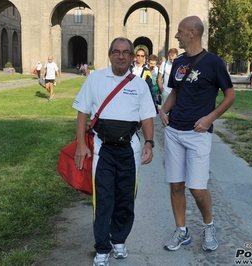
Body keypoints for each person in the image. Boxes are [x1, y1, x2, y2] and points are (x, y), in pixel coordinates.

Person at [72, 37, 156, 266]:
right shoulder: (96, 79)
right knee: (104, 200)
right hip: (102, 149)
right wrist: (81, 145)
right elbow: (81, 112)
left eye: (126, 52)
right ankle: (102, 249)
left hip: (129, 149)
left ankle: (119, 240)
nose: (121, 56)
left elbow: (147, 116)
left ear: (131, 57)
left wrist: (149, 143)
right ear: (110, 55)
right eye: (116, 52)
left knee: (126, 199)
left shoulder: (139, 85)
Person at [159, 16, 236, 252]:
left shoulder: (214, 62)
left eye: (179, 31)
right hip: (174, 132)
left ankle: (209, 226)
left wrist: (210, 118)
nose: (176, 36)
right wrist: (163, 109)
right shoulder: (179, 61)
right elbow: (175, 92)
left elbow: (230, 95)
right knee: (175, 186)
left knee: (197, 189)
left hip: (197, 134)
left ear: (192, 33)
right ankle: (182, 232)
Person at [131, 48, 157, 113]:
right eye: (138, 55)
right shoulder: (129, 68)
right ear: (135, 56)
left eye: (142, 56)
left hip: (141, 98)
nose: (140, 57)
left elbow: (149, 88)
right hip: (130, 97)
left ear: (144, 57)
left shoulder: (147, 71)